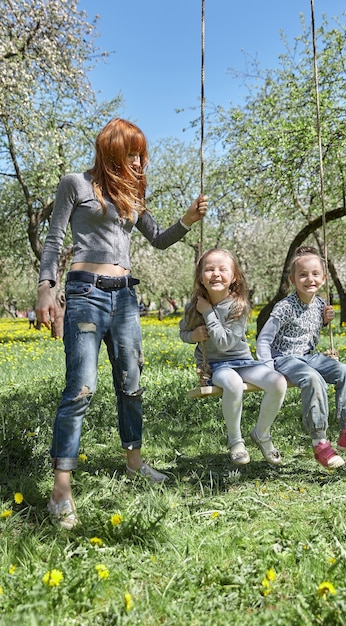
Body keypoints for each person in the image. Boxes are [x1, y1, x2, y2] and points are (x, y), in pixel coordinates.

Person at [35, 118, 208, 529]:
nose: (137, 160)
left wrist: (187, 219)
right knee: (82, 386)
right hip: (85, 293)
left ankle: (134, 464)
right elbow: (55, 239)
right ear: (111, 150)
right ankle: (61, 491)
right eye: (131, 152)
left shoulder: (133, 193)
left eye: (140, 154)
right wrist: (46, 286)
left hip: (125, 296)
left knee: (132, 381)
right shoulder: (74, 184)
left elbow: (160, 239)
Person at [256, 246, 346, 470]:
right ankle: (320, 443)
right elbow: (263, 338)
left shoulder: (320, 304)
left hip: (308, 356)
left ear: (324, 278)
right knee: (313, 379)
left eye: (315, 274)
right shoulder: (284, 307)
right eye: (303, 275)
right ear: (293, 279)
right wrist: (267, 367)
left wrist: (325, 321)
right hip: (285, 358)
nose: (310, 279)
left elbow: (307, 328)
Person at [179, 248, 287, 467]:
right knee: (233, 383)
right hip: (216, 366)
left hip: (243, 361)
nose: (216, 274)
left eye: (222, 269)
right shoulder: (194, 307)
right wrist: (193, 336)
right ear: (201, 277)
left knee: (278, 382)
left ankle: (262, 433)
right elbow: (183, 332)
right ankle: (235, 441)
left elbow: (225, 342)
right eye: (209, 269)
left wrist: (209, 312)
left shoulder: (239, 305)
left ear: (234, 277)